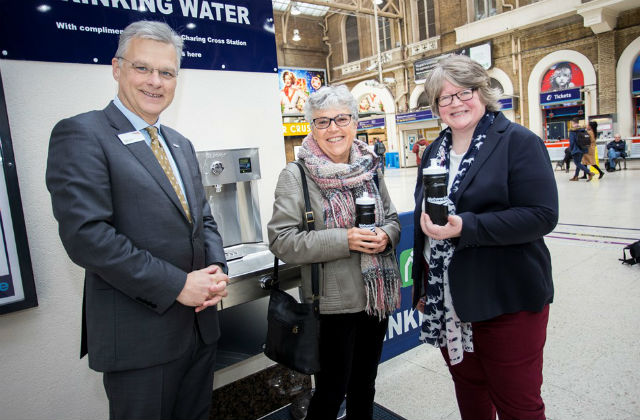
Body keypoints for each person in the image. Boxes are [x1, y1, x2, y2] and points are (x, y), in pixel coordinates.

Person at [45, 21, 228, 420]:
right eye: (142, 68)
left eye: (167, 72)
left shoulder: (179, 142)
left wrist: (216, 270)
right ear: (116, 68)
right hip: (141, 339)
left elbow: (203, 219)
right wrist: (178, 284)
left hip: (199, 329)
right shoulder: (82, 134)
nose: (155, 82)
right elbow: (87, 237)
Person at [411, 55, 558, 420]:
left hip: (506, 299)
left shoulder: (518, 142)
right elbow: (424, 224)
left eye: (465, 92)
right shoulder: (434, 152)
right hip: (449, 301)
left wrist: (467, 227)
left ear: (483, 93)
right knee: (470, 392)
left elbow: (541, 216)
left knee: (517, 403)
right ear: (436, 107)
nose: (455, 102)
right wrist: (422, 289)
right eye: (444, 98)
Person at [268, 85, 401, 420]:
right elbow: (281, 240)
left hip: (375, 298)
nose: (333, 129)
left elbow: (394, 219)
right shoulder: (296, 176)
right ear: (311, 127)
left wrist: (385, 236)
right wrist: (345, 240)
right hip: (331, 305)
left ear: (355, 122)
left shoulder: (371, 166)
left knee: (365, 385)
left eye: (341, 118)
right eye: (322, 121)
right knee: (330, 391)